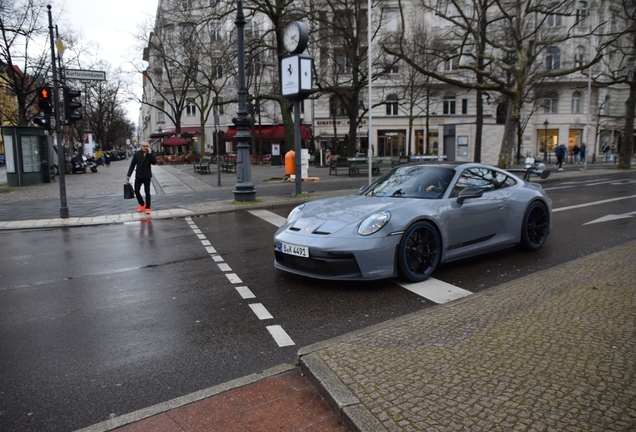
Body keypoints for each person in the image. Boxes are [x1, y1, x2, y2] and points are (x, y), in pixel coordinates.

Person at [126, 141, 157, 215]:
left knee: (147, 192)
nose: (145, 147)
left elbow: (154, 162)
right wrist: (128, 175)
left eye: (146, 146)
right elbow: (132, 165)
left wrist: (150, 154)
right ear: (141, 146)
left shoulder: (150, 154)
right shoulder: (137, 154)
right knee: (136, 191)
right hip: (139, 175)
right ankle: (142, 204)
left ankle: (148, 207)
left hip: (147, 176)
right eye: (144, 146)